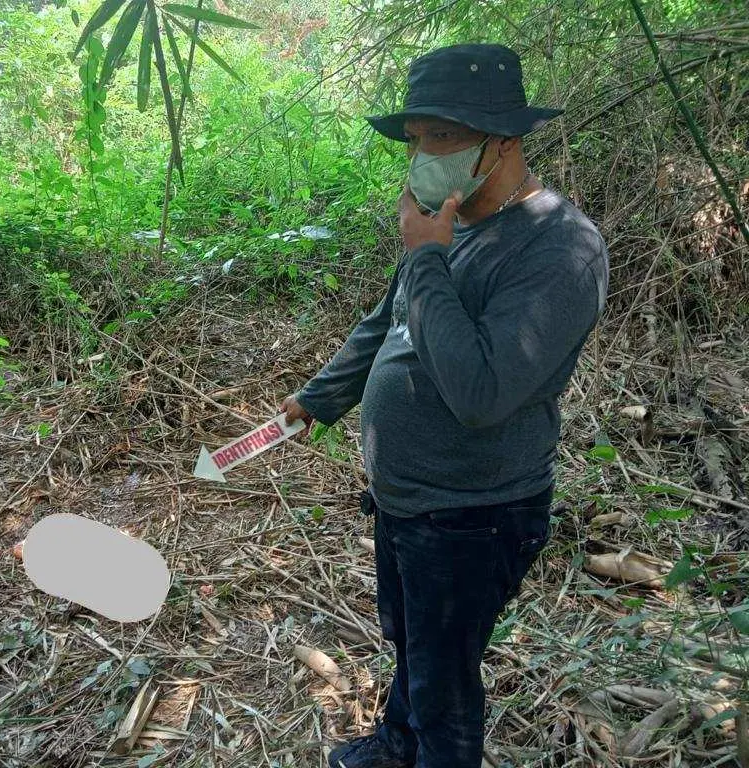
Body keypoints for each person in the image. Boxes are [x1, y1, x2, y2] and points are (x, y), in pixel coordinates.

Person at [279, 43, 609, 768]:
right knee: (417, 647)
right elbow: (389, 319)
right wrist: (319, 399)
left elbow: (482, 394)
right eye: (418, 138)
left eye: (444, 137)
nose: (424, 154)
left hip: (473, 514)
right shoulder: (454, 219)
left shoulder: (561, 249)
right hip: (407, 499)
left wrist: (426, 255)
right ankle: (397, 745)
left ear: (506, 140)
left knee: (444, 680)